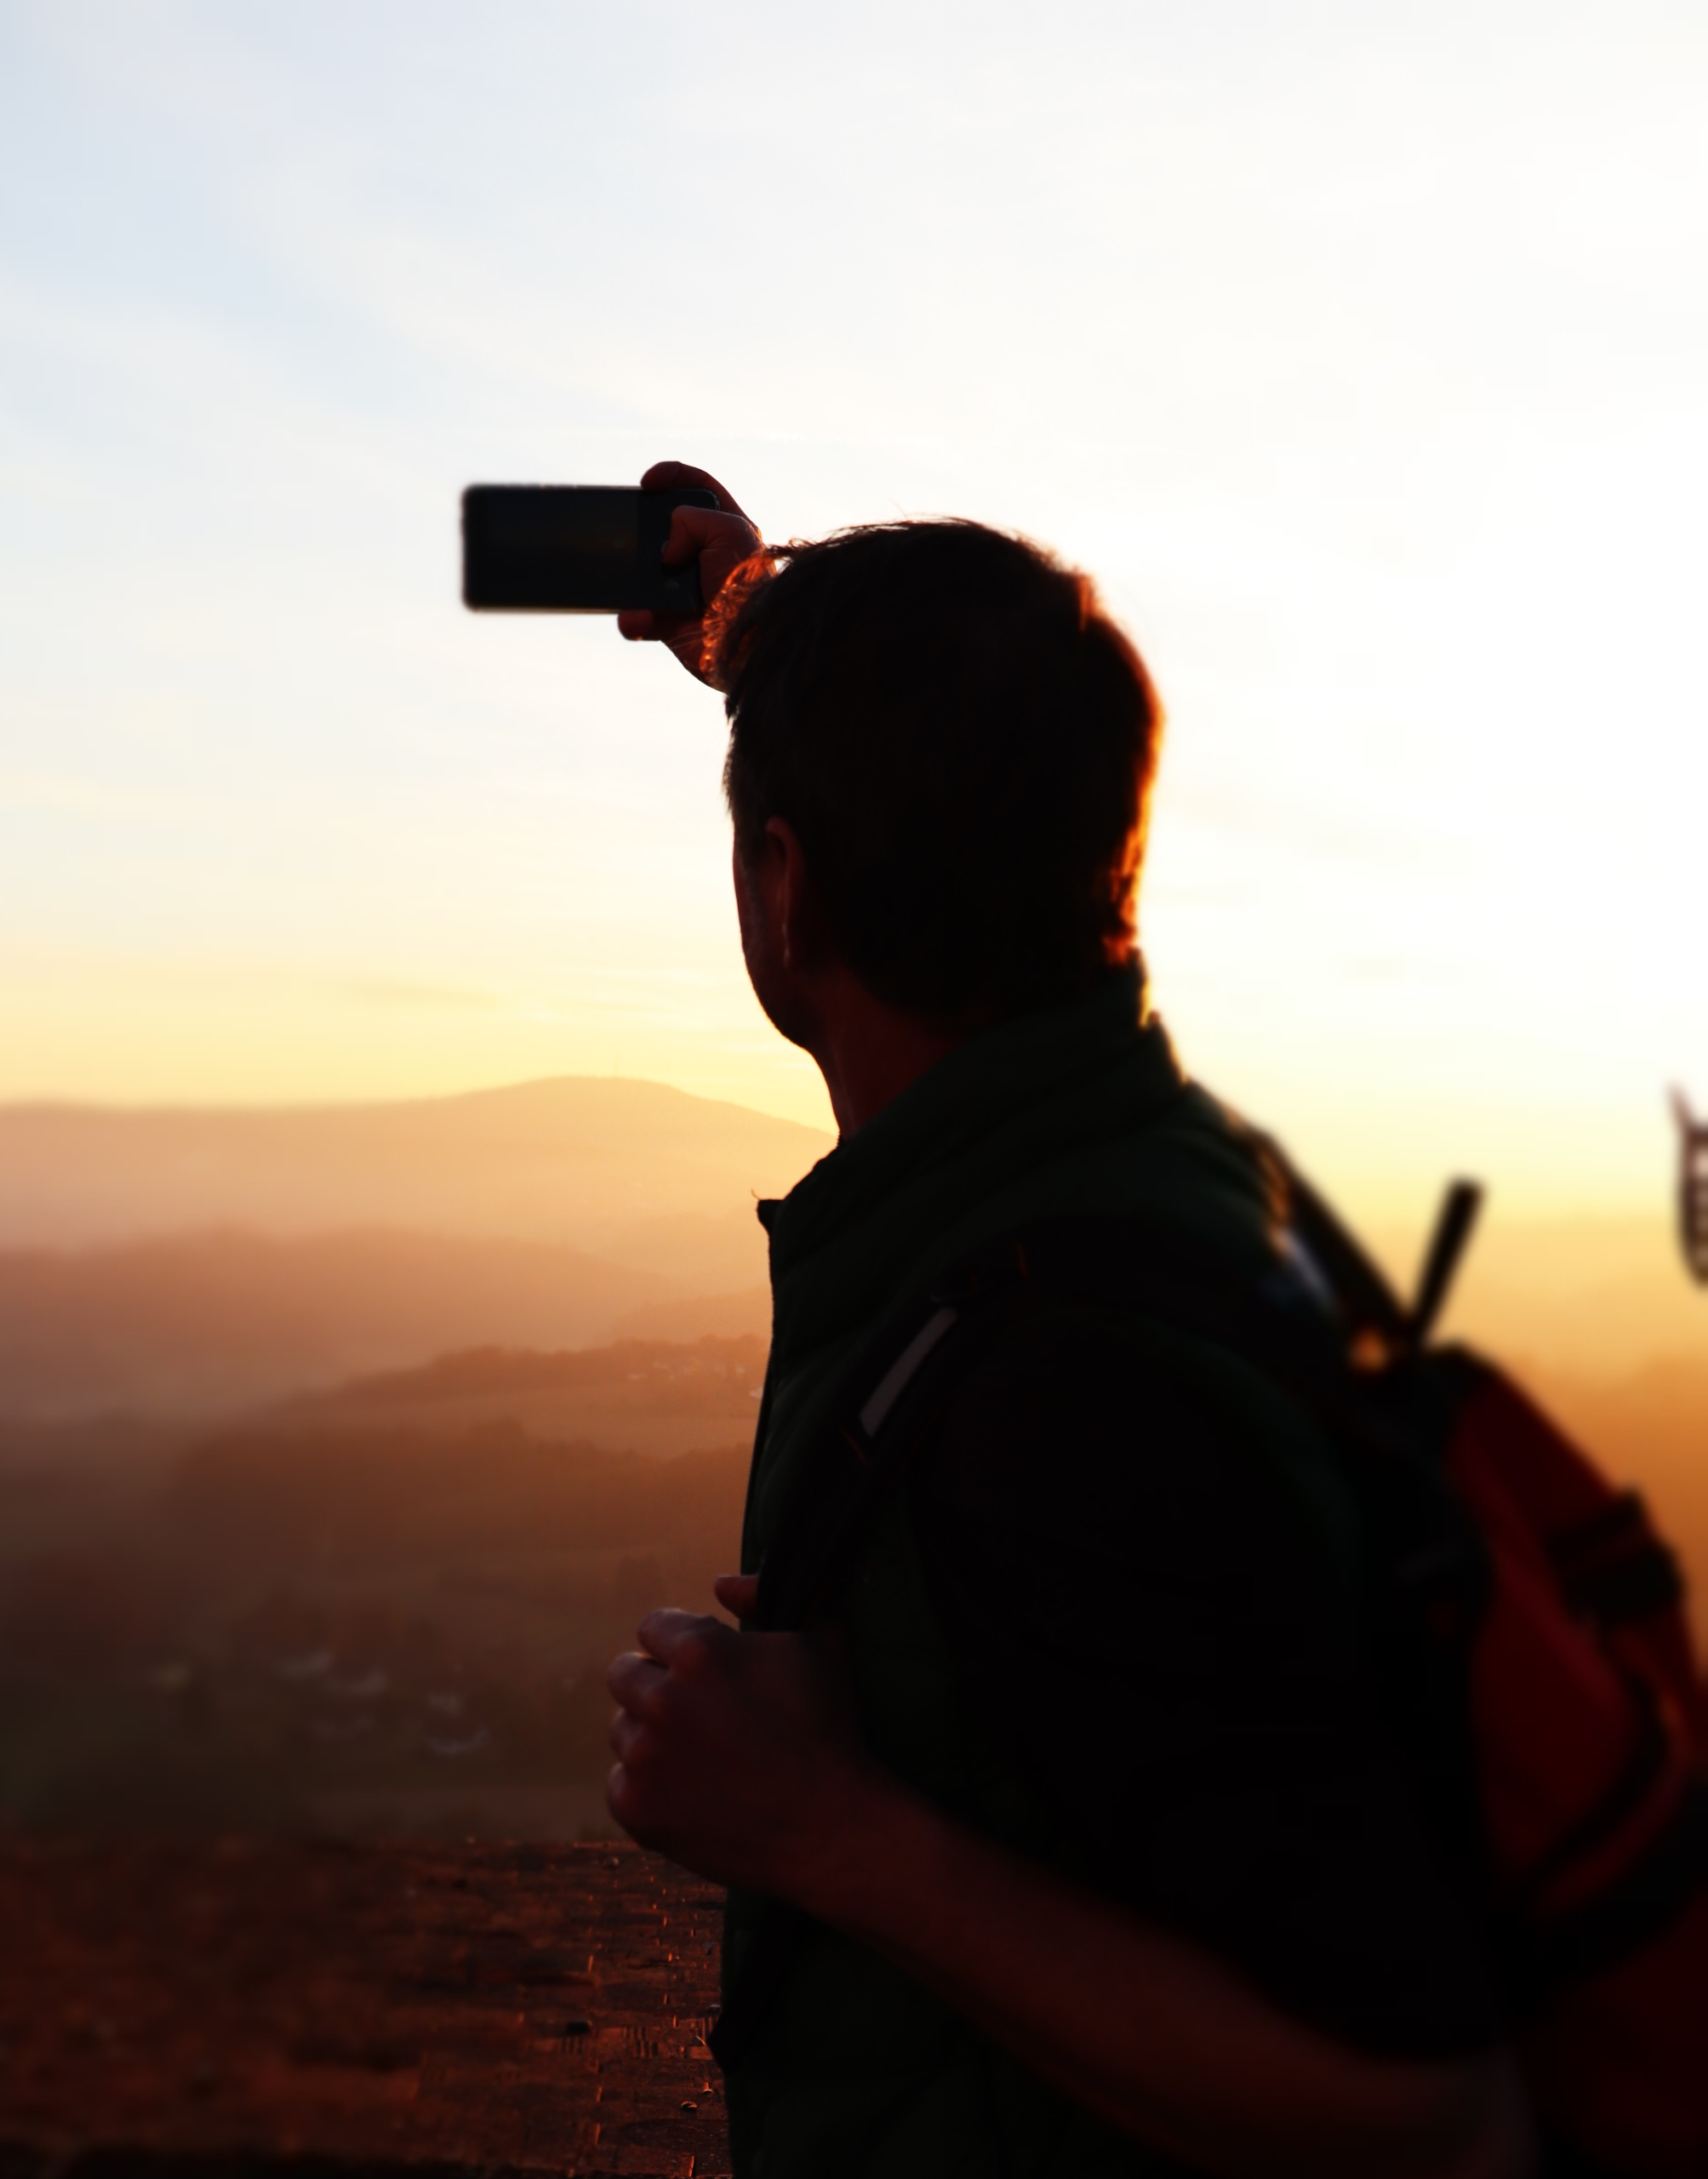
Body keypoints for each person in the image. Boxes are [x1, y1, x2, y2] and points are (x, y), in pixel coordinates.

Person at [603, 463, 1534, 2179]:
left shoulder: (1061, 1384)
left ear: (784, 891)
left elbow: (1422, 2103)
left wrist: (823, 1821)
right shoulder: (1132, 1151)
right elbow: (971, 754)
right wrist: (748, 625)